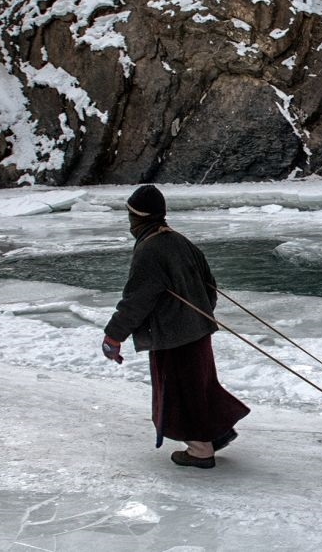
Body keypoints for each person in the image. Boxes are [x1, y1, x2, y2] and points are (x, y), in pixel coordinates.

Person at [101, 184, 250, 469]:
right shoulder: (181, 241)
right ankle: (216, 434)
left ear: (139, 217)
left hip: (173, 337)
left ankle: (200, 450)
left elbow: (137, 300)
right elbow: (210, 289)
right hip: (198, 331)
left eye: (130, 215)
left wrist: (113, 335)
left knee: (181, 392)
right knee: (199, 385)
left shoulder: (149, 249)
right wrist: (199, 319)